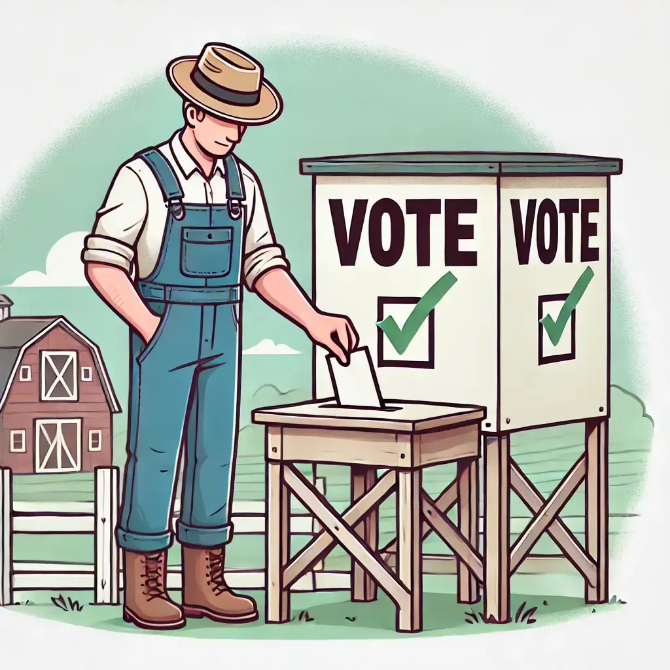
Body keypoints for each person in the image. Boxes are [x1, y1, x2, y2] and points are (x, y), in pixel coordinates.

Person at [83, 42, 358, 631]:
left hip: (223, 332)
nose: (234, 131)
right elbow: (104, 262)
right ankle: (145, 583)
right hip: (164, 327)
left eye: (243, 121)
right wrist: (152, 327)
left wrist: (314, 320)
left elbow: (262, 264)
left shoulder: (243, 184)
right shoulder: (144, 177)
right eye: (225, 117)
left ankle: (206, 579)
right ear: (193, 112)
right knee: (154, 455)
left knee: (215, 454)